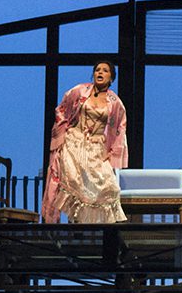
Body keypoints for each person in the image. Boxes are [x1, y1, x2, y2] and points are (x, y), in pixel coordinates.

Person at [40, 60, 128, 223]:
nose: (100, 72)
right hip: (74, 143)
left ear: (111, 78)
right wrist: (63, 131)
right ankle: (74, 225)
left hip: (96, 148)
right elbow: (61, 110)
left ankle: (92, 228)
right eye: (97, 70)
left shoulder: (115, 102)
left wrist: (111, 152)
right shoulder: (80, 91)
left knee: (109, 188)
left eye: (105, 71)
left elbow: (120, 129)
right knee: (74, 181)